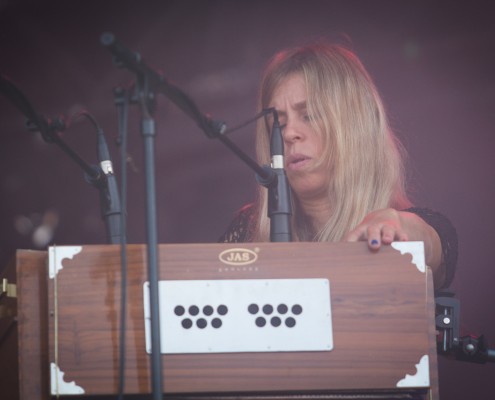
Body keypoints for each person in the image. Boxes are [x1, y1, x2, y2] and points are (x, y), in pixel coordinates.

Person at [219, 42, 457, 290]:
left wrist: (392, 225)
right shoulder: (247, 229)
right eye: (278, 124)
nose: (289, 133)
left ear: (353, 124)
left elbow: (428, 240)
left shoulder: (416, 223)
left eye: (309, 114)